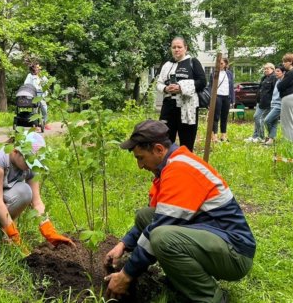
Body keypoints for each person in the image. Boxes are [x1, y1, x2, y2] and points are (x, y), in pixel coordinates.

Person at [104, 120, 256, 302]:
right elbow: (155, 219)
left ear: (159, 150)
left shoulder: (180, 170)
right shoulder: (172, 165)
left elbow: (158, 229)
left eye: (141, 158)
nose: (140, 166)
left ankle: (210, 298)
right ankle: (182, 282)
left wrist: (126, 275)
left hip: (235, 252)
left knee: (162, 238)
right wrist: (124, 244)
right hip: (212, 235)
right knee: (145, 216)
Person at [156, 37, 206, 151]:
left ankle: (186, 167)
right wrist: (165, 88)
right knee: (165, 141)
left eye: (179, 47)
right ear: (171, 49)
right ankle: (167, 166)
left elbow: (202, 82)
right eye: (174, 47)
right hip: (169, 107)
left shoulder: (193, 62)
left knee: (187, 143)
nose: (176, 50)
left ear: (185, 48)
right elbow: (159, 84)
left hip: (187, 108)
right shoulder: (167, 65)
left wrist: (181, 87)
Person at [244, 63, 276, 143]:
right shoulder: (264, 78)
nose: (265, 70)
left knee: (258, 117)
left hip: (267, 103)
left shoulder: (274, 78)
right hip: (260, 102)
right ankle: (255, 136)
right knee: (256, 118)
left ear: (272, 69)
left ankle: (261, 137)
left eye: (267, 69)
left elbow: (274, 91)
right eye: (264, 69)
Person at [277, 53, 293, 145]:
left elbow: (280, 86)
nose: (283, 64)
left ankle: (292, 146)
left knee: (288, 123)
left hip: (289, 98)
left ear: (290, 62)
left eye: (284, 62)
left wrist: (281, 82)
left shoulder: (291, 73)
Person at [210, 57, 235, 143]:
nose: (219, 65)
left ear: (225, 64)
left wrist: (232, 99)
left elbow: (231, 87)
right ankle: (214, 136)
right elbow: (210, 86)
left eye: (221, 63)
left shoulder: (229, 74)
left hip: (226, 97)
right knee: (216, 116)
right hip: (217, 96)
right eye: (218, 63)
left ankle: (223, 135)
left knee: (224, 116)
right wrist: (211, 98)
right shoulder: (214, 73)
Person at [262, 65, 286, 146]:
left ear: (284, 72)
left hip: (279, 105)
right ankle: (271, 139)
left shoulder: (284, 81)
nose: (276, 73)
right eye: (276, 71)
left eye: (278, 71)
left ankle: (270, 136)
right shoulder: (277, 81)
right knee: (273, 123)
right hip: (273, 103)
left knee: (267, 120)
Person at [24, 63, 50, 130]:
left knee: (44, 109)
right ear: (33, 69)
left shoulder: (42, 76)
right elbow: (26, 84)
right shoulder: (30, 76)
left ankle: (44, 123)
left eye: (38, 68)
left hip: (41, 95)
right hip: (34, 95)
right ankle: (34, 125)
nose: (37, 69)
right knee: (34, 110)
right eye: (36, 68)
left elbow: (47, 84)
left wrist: (45, 93)